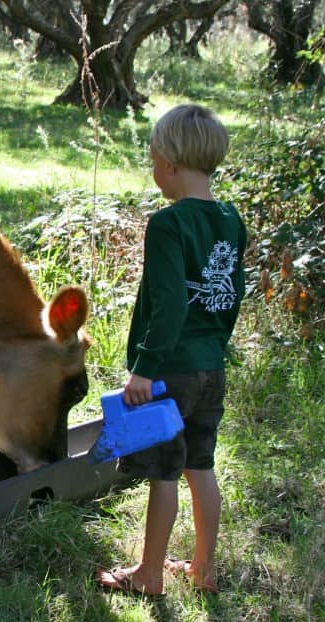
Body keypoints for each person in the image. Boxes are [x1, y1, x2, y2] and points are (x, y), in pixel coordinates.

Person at [96, 104, 247, 596]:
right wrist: (214, 348)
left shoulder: (168, 224)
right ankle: (203, 569)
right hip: (210, 366)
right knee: (199, 464)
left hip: (171, 370)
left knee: (163, 472)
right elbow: (231, 295)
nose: (153, 167)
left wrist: (144, 368)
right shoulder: (230, 219)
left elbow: (170, 304)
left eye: (153, 158)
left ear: (172, 164)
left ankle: (149, 574)